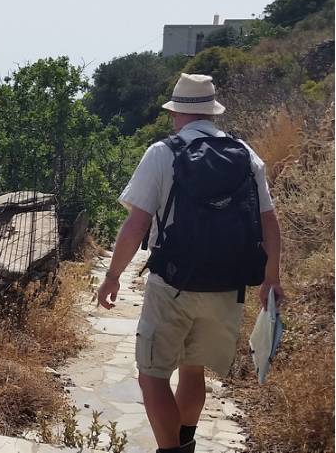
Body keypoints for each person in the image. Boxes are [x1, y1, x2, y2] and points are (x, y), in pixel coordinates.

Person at [96, 73, 284, 453]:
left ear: (176, 113)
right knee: (192, 369)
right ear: (212, 113)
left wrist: (113, 275)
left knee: (152, 377)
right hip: (227, 285)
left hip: (173, 285)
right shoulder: (246, 155)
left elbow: (136, 224)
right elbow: (269, 221)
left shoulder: (163, 153)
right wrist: (271, 278)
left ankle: (172, 450)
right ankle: (186, 440)